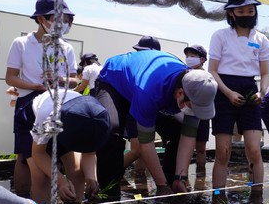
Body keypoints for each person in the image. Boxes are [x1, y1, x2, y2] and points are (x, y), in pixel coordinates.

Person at [93, 49, 218, 196]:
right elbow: (146, 143)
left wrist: (181, 176)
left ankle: (173, 183)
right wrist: (160, 184)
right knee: (112, 131)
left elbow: (188, 136)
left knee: (178, 131)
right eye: (192, 106)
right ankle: (109, 193)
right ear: (179, 94)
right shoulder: (149, 91)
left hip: (145, 83)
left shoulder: (195, 89)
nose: (195, 111)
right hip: (115, 80)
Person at [5, 0, 78, 197]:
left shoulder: (67, 47)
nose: (61, 23)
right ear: (40, 19)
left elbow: (74, 81)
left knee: (54, 154)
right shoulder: (21, 43)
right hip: (28, 102)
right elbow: (10, 77)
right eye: (56, 18)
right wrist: (33, 85)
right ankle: (21, 202)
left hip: (56, 103)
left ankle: (56, 203)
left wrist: (60, 79)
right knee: (24, 156)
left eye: (65, 19)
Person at [208, 0, 269, 191]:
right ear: (231, 13)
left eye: (249, 11)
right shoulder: (220, 36)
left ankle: (257, 196)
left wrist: (262, 92)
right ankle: (218, 196)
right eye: (240, 12)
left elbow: (265, 73)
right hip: (223, 90)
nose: (245, 15)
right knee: (223, 151)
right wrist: (227, 92)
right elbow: (213, 71)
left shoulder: (261, 39)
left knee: (253, 149)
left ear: (255, 12)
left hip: (250, 91)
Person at [29, 90, 109, 204]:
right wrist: (61, 181)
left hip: (70, 122)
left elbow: (89, 151)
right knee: (40, 177)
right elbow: (38, 154)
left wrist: (91, 177)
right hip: (37, 121)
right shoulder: (47, 114)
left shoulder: (96, 116)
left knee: (77, 172)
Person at [122, 36, 162, 175]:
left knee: (145, 148)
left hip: (148, 111)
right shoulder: (134, 65)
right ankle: (110, 174)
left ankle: (139, 177)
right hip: (133, 110)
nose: (139, 54)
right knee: (137, 150)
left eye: (142, 51)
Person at [184, 44, 211, 174]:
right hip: (186, 114)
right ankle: (184, 175)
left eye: (193, 56)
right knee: (186, 146)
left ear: (202, 59)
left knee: (201, 148)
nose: (189, 58)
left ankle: (201, 176)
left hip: (202, 115)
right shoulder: (183, 73)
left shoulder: (207, 76)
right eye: (187, 56)